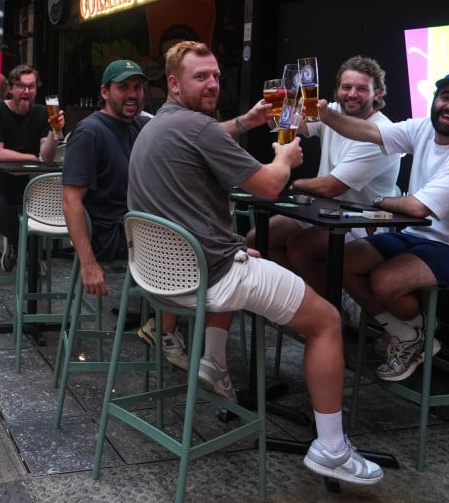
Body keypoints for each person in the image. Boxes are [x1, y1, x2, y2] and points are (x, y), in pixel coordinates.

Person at [128, 40, 384, 485]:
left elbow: (204, 140)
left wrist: (245, 122)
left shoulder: (159, 127)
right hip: (212, 276)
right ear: (173, 83)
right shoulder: (198, 128)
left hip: (162, 277)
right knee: (325, 320)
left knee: (242, 248)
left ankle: (213, 362)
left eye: (215, 75)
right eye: (199, 77)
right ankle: (331, 448)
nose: (212, 83)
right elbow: (268, 186)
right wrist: (283, 158)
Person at [318, 71, 449, 382]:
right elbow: (368, 132)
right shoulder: (423, 128)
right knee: (345, 261)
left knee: (384, 281)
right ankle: (408, 333)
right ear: (435, 100)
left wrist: (380, 201)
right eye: (446, 97)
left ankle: (413, 332)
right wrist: (325, 115)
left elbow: (417, 207)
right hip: (420, 236)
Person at [247, 56, 401, 318]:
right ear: (337, 89)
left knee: (300, 247)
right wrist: (274, 108)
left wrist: (288, 179)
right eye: (346, 87)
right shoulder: (334, 113)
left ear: (377, 94)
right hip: (323, 213)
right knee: (257, 239)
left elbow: (331, 187)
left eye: (361, 89)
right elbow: (286, 124)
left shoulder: (380, 132)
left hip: (361, 221)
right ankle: (307, 300)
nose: (352, 94)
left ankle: (332, 312)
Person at [62, 59, 150, 296]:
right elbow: (71, 201)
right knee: (191, 245)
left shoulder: (138, 124)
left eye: (138, 87)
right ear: (104, 91)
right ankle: (164, 326)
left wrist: (241, 123)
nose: (133, 94)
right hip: (112, 237)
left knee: (198, 233)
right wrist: (88, 264)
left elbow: (186, 134)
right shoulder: (89, 132)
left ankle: (161, 319)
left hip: (137, 226)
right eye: (123, 88)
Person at [0, 64, 64, 270]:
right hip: (2, 180)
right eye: (22, 87)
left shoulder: (43, 113)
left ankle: (24, 249)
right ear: (10, 89)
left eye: (31, 87)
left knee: (46, 208)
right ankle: (21, 247)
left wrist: (54, 131)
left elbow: (47, 156)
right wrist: (32, 156)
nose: (27, 91)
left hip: (31, 182)